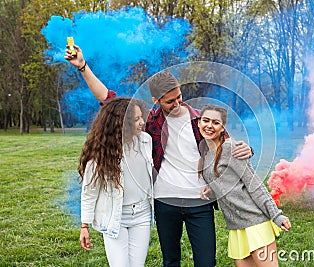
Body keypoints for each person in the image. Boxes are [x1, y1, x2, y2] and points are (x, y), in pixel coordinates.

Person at [65, 45, 253, 267]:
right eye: (169, 101)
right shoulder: (149, 122)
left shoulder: (199, 120)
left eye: (179, 97)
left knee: (206, 262)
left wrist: (247, 150)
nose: (177, 104)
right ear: (156, 100)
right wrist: (83, 67)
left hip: (199, 202)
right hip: (165, 203)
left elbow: (226, 146)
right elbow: (109, 100)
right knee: (170, 261)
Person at [198, 104, 291, 267]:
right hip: (236, 228)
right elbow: (227, 183)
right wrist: (211, 191)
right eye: (205, 120)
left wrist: (276, 215)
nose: (209, 126)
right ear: (199, 123)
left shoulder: (231, 148)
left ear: (222, 127)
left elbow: (254, 184)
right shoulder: (205, 154)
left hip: (255, 222)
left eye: (215, 122)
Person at [78, 97, 154, 267]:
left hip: (142, 215)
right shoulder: (101, 153)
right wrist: (85, 225)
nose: (142, 122)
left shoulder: (145, 141)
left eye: (141, 117)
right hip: (116, 217)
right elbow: (89, 190)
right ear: (121, 123)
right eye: (136, 119)